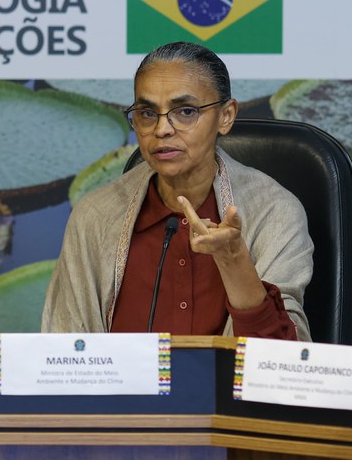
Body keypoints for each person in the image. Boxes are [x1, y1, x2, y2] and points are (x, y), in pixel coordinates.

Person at [42, 41, 312, 341]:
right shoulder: (95, 216)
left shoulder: (274, 212)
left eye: (184, 111)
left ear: (226, 116)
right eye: (146, 113)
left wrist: (234, 259)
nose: (162, 130)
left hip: (227, 389)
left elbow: (280, 365)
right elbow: (62, 352)